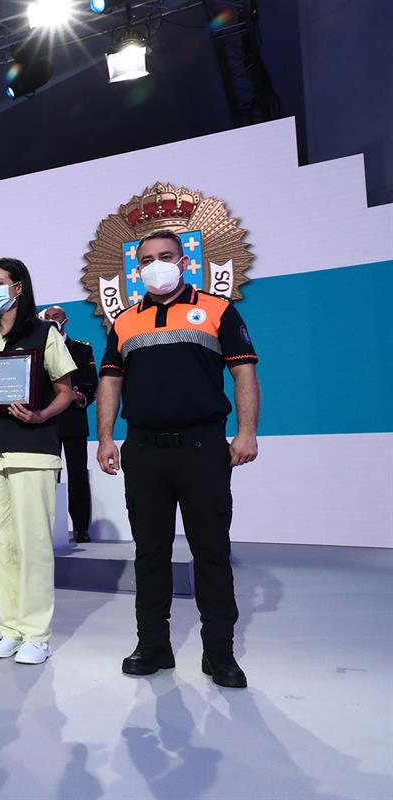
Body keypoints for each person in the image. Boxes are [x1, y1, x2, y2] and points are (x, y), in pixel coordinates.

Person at [96, 229, 259, 689]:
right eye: (147, 259)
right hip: (143, 450)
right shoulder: (125, 321)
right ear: (137, 267)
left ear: (184, 262)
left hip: (203, 448)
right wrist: (105, 437)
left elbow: (244, 371)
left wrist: (246, 432)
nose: (156, 265)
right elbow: (110, 382)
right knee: (150, 554)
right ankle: (153, 645)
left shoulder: (218, 309)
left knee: (211, 553)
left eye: (165, 256)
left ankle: (219, 653)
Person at [0, 259, 76, 666]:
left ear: (18, 287)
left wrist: (41, 415)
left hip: (32, 448)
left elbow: (64, 390)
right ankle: (10, 628)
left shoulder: (44, 333)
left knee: (34, 543)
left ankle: (37, 633)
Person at [41, 305, 98, 543]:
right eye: (47, 318)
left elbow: (92, 384)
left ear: (66, 321)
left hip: (73, 419)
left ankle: (81, 528)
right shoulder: (38, 349)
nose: (52, 321)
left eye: (55, 317)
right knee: (47, 477)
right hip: (46, 421)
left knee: (77, 477)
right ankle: (49, 527)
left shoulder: (82, 350)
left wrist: (79, 396)